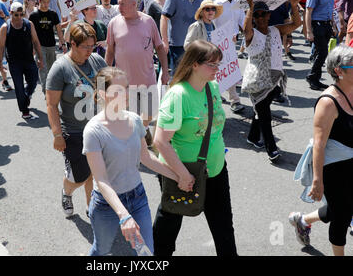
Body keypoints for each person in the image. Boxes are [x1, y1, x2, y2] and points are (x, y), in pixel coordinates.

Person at [152, 40, 237, 256]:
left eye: (219, 64)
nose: (217, 70)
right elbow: (160, 141)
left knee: (224, 230)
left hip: (216, 170)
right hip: (182, 175)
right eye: (212, 65)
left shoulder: (213, 87)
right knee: (166, 234)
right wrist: (182, 175)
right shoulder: (178, 96)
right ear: (194, 65)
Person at [83, 67, 180, 256]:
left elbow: (146, 157)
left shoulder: (135, 120)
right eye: (119, 91)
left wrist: (178, 176)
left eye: (127, 88)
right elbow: (101, 179)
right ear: (103, 93)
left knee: (146, 253)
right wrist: (123, 215)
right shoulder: (93, 131)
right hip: (106, 206)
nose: (126, 94)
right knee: (101, 250)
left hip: (138, 198)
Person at [289, 45, 353, 256]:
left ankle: (303, 220)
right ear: (339, 71)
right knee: (342, 214)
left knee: (342, 208)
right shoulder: (328, 102)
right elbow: (319, 144)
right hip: (334, 167)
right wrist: (317, 180)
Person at [46, 22, 107, 217]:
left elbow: (109, 90)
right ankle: (67, 191)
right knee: (79, 176)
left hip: (98, 129)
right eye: (85, 47)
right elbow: (51, 105)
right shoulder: (61, 68)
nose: (90, 50)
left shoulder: (97, 60)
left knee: (95, 171)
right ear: (72, 44)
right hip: (73, 131)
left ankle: (92, 207)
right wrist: (57, 134)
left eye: (92, 46)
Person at [242, 0, 302, 162]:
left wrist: (293, 5)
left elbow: (297, 24)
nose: (261, 17)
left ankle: (253, 136)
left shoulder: (276, 29)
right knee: (265, 115)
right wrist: (250, 8)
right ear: (253, 17)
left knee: (261, 110)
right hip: (258, 82)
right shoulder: (251, 34)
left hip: (274, 79)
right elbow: (246, 29)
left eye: (264, 13)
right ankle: (271, 149)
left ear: (269, 14)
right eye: (257, 14)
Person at [105, 0, 169, 144]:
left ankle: (142, 130)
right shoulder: (114, 23)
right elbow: (110, 51)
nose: (118, 7)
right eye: (118, 4)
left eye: (122, 4)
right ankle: (135, 146)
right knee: (129, 118)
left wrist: (165, 72)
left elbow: (159, 47)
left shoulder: (148, 21)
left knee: (150, 113)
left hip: (147, 79)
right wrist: (104, 76)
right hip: (125, 84)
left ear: (134, 4)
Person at [0, 2, 43, 120]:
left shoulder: (29, 24)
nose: (18, 17)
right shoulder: (5, 28)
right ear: (11, 13)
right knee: (19, 86)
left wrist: (40, 58)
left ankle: (26, 97)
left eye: (20, 14)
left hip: (28, 59)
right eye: (16, 15)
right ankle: (24, 110)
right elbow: (1, 46)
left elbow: (36, 41)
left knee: (33, 81)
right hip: (14, 62)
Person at [161, 0, 205, 76]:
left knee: (194, 76)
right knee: (179, 76)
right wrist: (165, 41)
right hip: (178, 45)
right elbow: (164, 18)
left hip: (196, 45)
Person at [213, 0, 246, 113]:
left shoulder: (239, 2)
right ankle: (227, 98)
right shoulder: (217, 4)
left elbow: (242, 21)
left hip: (233, 42)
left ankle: (233, 99)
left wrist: (247, 34)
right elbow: (213, 24)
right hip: (219, 43)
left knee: (231, 69)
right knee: (221, 70)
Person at [305, 0, 340, 90]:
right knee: (322, 52)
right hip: (317, 24)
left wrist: (334, 25)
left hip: (326, 24)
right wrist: (308, 31)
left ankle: (316, 78)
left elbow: (330, 10)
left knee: (322, 53)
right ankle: (312, 76)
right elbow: (308, 12)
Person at [29, 0, 67, 95]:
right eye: (44, 2)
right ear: (39, 1)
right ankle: (46, 92)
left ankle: (50, 88)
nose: (46, 4)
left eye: (48, 2)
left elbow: (59, 30)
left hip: (51, 45)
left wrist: (63, 43)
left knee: (51, 70)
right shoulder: (33, 15)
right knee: (43, 68)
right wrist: (32, 47)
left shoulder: (53, 14)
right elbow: (30, 33)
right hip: (39, 46)